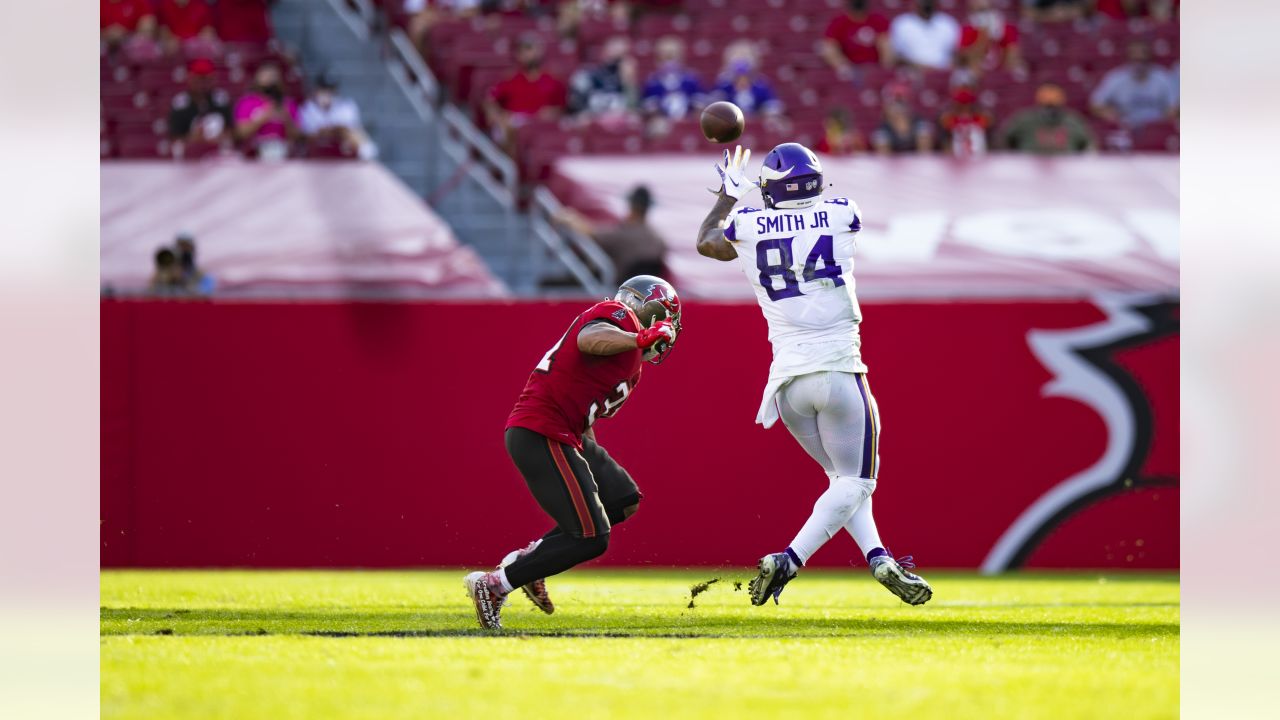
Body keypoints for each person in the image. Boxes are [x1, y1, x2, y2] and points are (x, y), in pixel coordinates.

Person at [693, 144, 933, 608]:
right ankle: (789, 558)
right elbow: (818, 219)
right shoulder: (843, 213)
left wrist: (728, 194)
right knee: (858, 480)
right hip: (840, 370)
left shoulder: (747, 225)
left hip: (787, 384)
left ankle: (880, 558)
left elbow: (707, 241)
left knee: (841, 480)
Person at [463, 276, 683, 629]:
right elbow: (589, 338)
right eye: (664, 318)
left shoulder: (633, 364)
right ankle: (494, 585)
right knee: (592, 538)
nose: (667, 329)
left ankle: (535, 558)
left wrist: (586, 456)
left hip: (566, 432)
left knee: (622, 497)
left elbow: (585, 411)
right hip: (541, 430)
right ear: (650, 308)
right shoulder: (619, 316)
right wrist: (638, 336)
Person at [557, 186, 666, 279]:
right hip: (644, 291)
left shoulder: (624, 234)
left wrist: (571, 218)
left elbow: (592, 233)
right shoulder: (658, 240)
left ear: (632, 207)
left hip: (620, 287)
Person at [484, 34, 568, 151]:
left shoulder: (553, 81)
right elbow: (490, 101)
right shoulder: (510, 79)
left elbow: (562, 109)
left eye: (530, 49)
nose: (528, 54)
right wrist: (498, 119)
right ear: (518, 55)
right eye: (523, 50)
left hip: (541, 125)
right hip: (514, 123)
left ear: (540, 51)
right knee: (506, 130)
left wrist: (552, 114)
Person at [1089, 39, 1178, 129]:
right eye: (1135, 60)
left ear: (1149, 59)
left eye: (1142, 60)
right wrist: (1109, 113)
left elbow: (1174, 107)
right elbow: (1095, 104)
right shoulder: (1116, 77)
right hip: (1126, 127)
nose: (1138, 65)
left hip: (1157, 127)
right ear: (1128, 59)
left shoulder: (1163, 77)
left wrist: (1165, 120)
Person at [996, 83, 1097, 154]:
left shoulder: (1073, 121)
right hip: (1029, 171)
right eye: (1047, 106)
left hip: (1065, 172)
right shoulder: (1025, 120)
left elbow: (1089, 146)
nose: (1050, 111)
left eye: (1053, 106)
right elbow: (1004, 140)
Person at [299, 75, 379, 160]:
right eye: (324, 89)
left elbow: (349, 129)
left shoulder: (346, 105)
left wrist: (337, 130)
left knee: (360, 137)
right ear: (317, 89)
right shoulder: (308, 107)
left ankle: (366, 162)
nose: (327, 93)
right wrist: (326, 131)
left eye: (331, 90)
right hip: (316, 146)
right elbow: (307, 133)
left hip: (342, 145)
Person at [234, 63, 302, 160]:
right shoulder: (247, 102)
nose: (269, 79)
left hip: (283, 152)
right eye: (265, 75)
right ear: (257, 78)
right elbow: (241, 133)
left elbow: (297, 136)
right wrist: (264, 116)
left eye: (273, 76)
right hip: (255, 152)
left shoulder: (288, 103)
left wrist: (286, 118)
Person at [168, 59, 234, 154]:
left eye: (206, 80)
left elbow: (232, 131)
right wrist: (193, 139)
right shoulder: (180, 104)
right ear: (190, 79)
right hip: (188, 156)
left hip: (218, 155)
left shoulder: (222, 100)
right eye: (199, 79)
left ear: (213, 79)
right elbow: (174, 136)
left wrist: (220, 137)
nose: (203, 85)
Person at [567, 36, 638, 123]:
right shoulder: (589, 75)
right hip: (593, 119)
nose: (615, 62)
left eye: (621, 57)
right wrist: (583, 113)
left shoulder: (627, 80)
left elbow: (633, 108)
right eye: (614, 54)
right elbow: (575, 102)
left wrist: (628, 82)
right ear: (604, 53)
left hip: (619, 123)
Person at [820, 0, 894, 76]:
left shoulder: (878, 20)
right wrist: (844, 66)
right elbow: (830, 45)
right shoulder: (839, 22)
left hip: (874, 65)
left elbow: (885, 43)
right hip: (850, 66)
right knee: (828, 48)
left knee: (887, 43)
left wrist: (884, 67)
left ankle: (884, 73)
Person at [711, 42, 784, 118]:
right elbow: (716, 102)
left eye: (745, 55)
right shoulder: (724, 82)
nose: (741, 59)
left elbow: (772, 103)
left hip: (756, 120)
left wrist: (765, 111)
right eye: (737, 56)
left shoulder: (761, 83)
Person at [641, 36, 704, 120]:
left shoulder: (691, 79)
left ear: (681, 57)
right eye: (666, 57)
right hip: (662, 122)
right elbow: (648, 108)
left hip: (688, 119)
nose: (670, 62)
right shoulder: (652, 82)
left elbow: (700, 105)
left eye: (673, 56)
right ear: (658, 59)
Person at [888, 0, 961, 71]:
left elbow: (955, 54)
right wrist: (918, 66)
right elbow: (895, 56)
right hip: (911, 72)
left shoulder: (948, 23)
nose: (926, 5)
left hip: (942, 73)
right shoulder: (902, 23)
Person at [871, 87, 936, 154]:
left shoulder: (919, 123)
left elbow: (926, 151)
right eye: (895, 104)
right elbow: (882, 154)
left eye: (901, 104)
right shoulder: (883, 128)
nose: (898, 109)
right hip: (894, 162)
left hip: (917, 161)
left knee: (924, 135)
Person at [937, 87, 993, 157]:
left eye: (967, 104)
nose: (964, 107)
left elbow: (989, 121)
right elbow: (943, 122)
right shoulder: (953, 119)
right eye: (961, 104)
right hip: (958, 155)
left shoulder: (978, 118)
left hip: (977, 155)